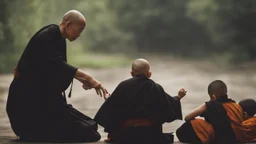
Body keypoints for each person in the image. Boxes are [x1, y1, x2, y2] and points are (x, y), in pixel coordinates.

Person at [6, 10, 108, 143]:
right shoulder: (46, 36)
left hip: (44, 101)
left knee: (91, 125)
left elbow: (57, 68)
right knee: (88, 132)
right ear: (69, 24)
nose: (79, 34)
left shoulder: (58, 37)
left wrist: (81, 78)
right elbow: (56, 64)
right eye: (80, 30)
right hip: (27, 106)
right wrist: (89, 78)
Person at [94, 58, 186, 144]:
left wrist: (108, 99)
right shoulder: (156, 87)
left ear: (131, 73)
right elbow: (168, 108)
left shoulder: (123, 86)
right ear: (149, 74)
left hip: (125, 136)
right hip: (150, 135)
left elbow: (111, 108)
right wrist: (178, 97)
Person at [176, 80, 256, 144]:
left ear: (213, 97)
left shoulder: (211, 104)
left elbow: (187, 117)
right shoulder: (236, 105)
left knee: (189, 125)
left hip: (220, 138)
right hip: (235, 138)